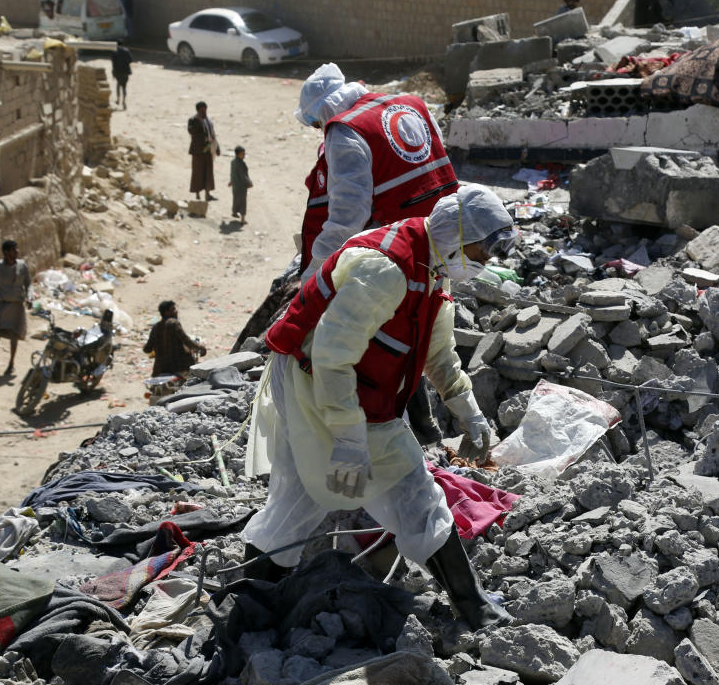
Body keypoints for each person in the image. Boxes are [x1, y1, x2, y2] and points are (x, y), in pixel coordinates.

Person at [241, 185, 519, 630]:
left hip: (347, 384)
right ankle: (250, 605)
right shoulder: (386, 270)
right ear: (457, 234)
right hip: (312, 381)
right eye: (480, 250)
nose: (484, 263)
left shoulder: (432, 266)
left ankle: (473, 604)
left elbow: (437, 350)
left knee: (407, 489)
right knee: (306, 492)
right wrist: (349, 438)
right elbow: (332, 356)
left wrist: (467, 408)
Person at [294, 62, 458, 278]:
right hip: (452, 227)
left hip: (407, 245)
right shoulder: (413, 103)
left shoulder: (345, 131)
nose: (321, 128)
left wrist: (317, 267)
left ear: (325, 108)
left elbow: (348, 214)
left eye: (317, 123)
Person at [0, 239, 32, 376]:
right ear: (6, 252)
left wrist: (30, 296)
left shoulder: (22, 266)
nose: (17, 252)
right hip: (1, 305)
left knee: (14, 335)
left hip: (17, 306)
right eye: (13, 249)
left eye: (16, 249)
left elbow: (28, 283)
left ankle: (11, 363)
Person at [144, 300, 206, 377]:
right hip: (179, 367)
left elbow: (147, 349)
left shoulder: (156, 327)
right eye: (173, 309)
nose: (176, 312)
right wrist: (200, 348)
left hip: (160, 369)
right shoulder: (173, 323)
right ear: (166, 312)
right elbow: (186, 341)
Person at [187, 101, 220, 201]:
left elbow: (212, 134)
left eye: (205, 109)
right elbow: (191, 131)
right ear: (198, 110)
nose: (204, 111)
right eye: (202, 109)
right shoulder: (193, 120)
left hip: (208, 150)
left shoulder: (208, 120)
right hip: (197, 151)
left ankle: (207, 194)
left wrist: (217, 147)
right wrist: (199, 122)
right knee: (197, 172)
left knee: (208, 172)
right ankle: (197, 194)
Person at [229, 145, 252, 223]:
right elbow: (243, 176)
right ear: (237, 154)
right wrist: (249, 183)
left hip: (235, 185)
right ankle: (242, 219)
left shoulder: (233, 162)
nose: (244, 155)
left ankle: (234, 212)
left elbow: (232, 173)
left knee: (235, 199)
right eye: (242, 154)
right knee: (242, 202)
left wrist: (231, 181)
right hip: (241, 186)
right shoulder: (241, 164)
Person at [111, 43, 133, 109]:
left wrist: (113, 73)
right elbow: (130, 60)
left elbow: (113, 63)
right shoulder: (126, 51)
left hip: (118, 72)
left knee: (118, 85)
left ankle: (118, 99)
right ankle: (124, 100)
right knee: (124, 87)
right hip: (125, 71)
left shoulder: (114, 52)